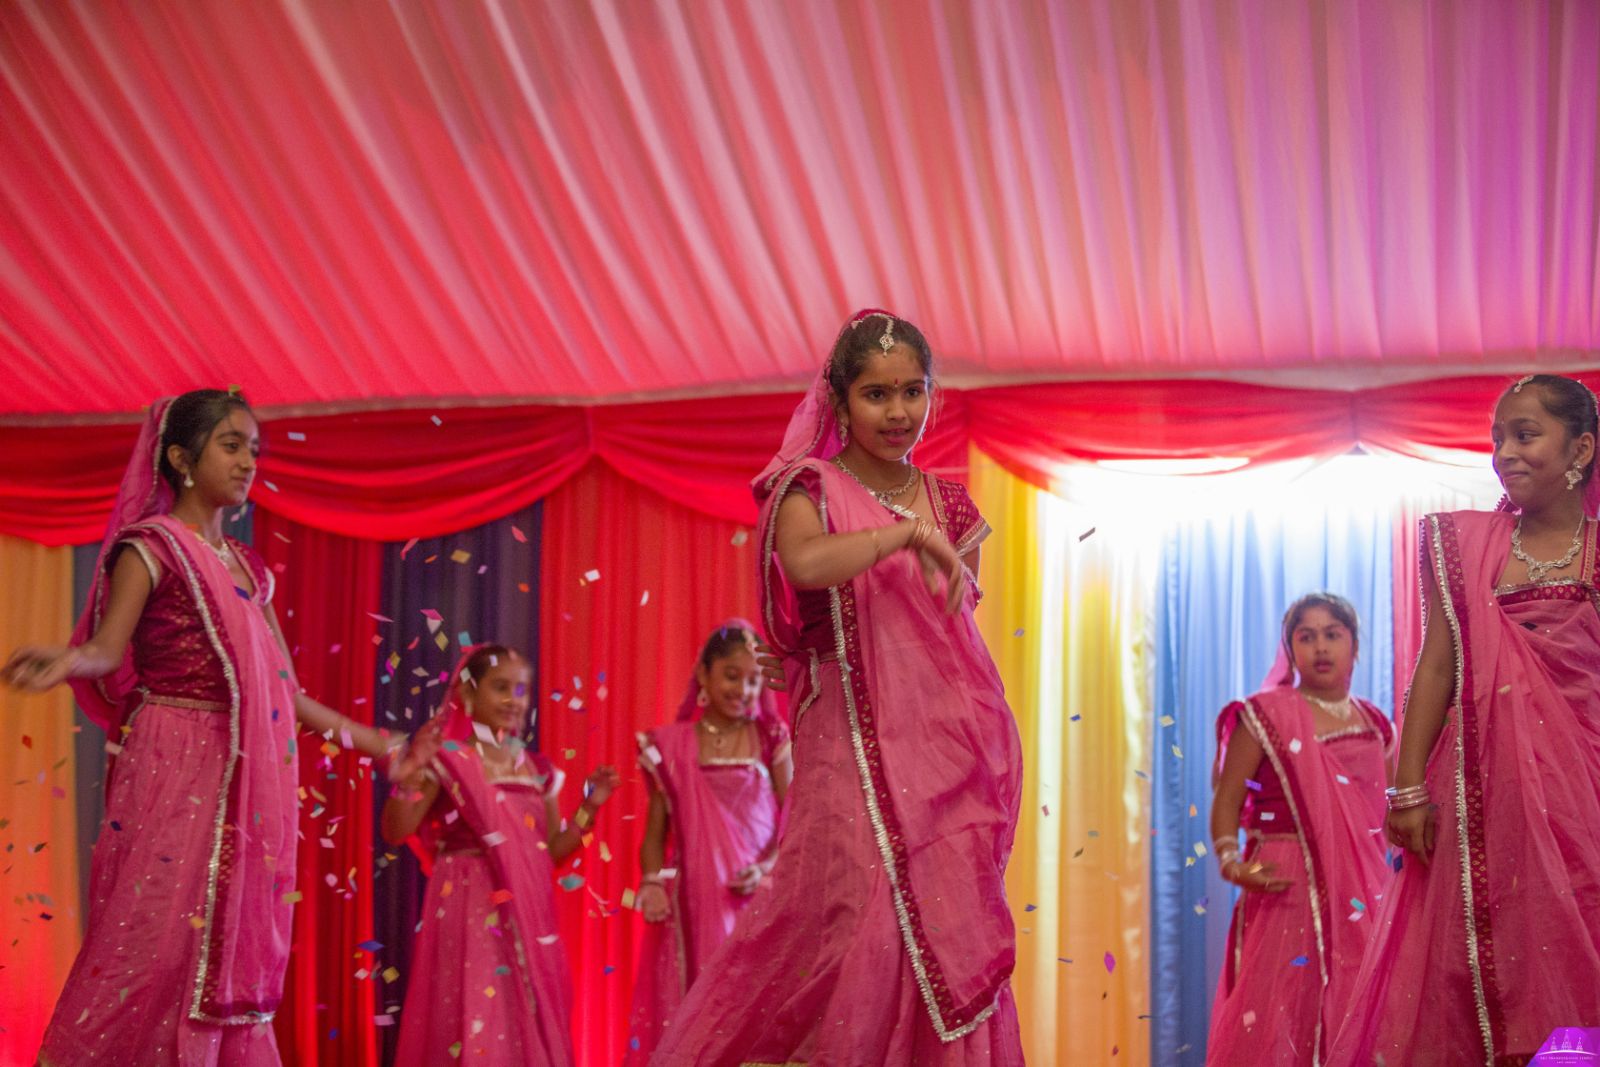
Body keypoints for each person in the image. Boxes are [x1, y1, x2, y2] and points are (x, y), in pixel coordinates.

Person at [649, 309, 1025, 1066]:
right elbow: (807, 565)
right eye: (876, 394)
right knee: (849, 914)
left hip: (939, 748)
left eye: (912, 392)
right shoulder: (809, 487)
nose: (897, 413)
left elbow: (956, 638)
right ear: (840, 399)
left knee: (942, 920)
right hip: (844, 742)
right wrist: (901, 534)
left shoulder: (952, 505)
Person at [2, 390, 397, 1065]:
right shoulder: (152, 546)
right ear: (181, 457)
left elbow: (283, 692)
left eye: (254, 449)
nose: (248, 461)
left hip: (242, 773)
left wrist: (377, 742)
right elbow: (106, 648)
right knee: (152, 940)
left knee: (220, 951)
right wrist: (68, 659)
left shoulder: (247, 568)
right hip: (173, 763)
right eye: (231, 444)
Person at [1330, 374, 1600, 1065]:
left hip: (1584, 795)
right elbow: (1436, 667)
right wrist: (1407, 786)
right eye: (1497, 437)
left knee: (1577, 954)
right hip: (1483, 792)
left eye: (1526, 433)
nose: (1504, 451)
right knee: (1475, 958)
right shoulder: (1465, 547)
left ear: (1582, 449)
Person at [381, 643, 619, 1067]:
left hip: (529, 915)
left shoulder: (536, 768)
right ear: (468, 696)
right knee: (472, 1006)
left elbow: (552, 854)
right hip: (469, 907)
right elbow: (396, 831)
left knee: (521, 1013)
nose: (513, 700)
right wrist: (408, 776)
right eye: (500, 688)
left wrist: (590, 806)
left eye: (521, 690)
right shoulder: (449, 762)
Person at [1205, 593, 1393, 1066]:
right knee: (1279, 1011)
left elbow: (1388, 817)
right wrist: (1231, 862)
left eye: (1333, 634)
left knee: (1361, 1006)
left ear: (1354, 645)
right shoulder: (1264, 715)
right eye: (1306, 637)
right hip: (1285, 883)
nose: (1321, 647)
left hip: (1364, 892)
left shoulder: (1375, 723)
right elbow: (1227, 798)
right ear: (1290, 650)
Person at [624, 620, 792, 1064]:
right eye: (732, 676)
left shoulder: (771, 739)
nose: (744, 689)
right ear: (704, 675)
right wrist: (653, 882)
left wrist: (767, 868)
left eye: (754, 679)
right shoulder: (671, 747)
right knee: (697, 1018)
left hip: (762, 900)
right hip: (695, 904)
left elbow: (794, 819)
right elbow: (655, 836)